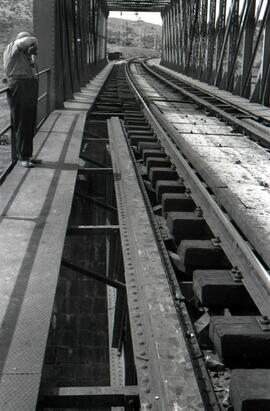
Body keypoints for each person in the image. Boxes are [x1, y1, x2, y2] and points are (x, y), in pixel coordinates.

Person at [3, 32, 41, 168]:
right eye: (29, 46)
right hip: (19, 87)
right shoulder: (12, 47)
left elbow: (31, 68)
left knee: (29, 123)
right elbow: (31, 38)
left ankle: (27, 154)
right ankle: (23, 158)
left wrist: (31, 56)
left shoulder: (23, 55)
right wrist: (34, 42)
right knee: (22, 123)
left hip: (27, 86)